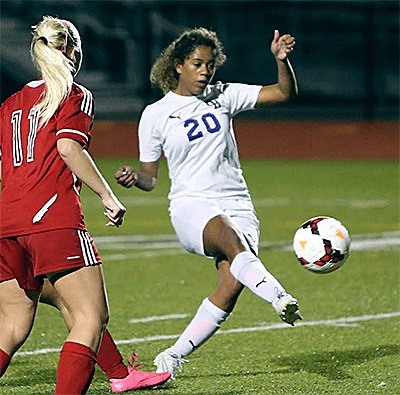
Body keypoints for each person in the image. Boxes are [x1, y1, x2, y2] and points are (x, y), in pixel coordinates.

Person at [115, 27, 302, 381]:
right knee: (233, 242)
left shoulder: (224, 95)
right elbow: (150, 177)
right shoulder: (156, 114)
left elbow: (282, 92)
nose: (205, 71)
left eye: (210, 65)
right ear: (177, 66)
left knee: (230, 285)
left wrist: (282, 60)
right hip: (191, 206)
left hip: (237, 201)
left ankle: (172, 355)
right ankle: (279, 296)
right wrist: (133, 177)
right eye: (197, 64)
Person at [0, 16, 169, 393]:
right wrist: (108, 195)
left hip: (7, 223)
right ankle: (119, 375)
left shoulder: (10, 103)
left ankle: (122, 374)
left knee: (12, 326)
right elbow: (67, 146)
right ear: (72, 50)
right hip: (52, 220)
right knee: (91, 316)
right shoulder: (74, 94)